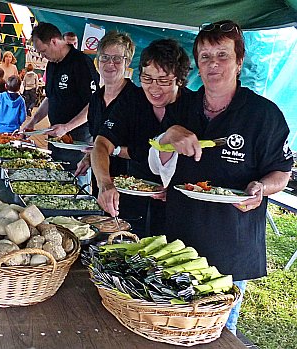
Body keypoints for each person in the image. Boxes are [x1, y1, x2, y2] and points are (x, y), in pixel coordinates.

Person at [148, 20, 293, 333]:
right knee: (172, 324)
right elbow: (158, 161)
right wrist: (170, 135)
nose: (213, 64)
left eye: (222, 55)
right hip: (177, 238)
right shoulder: (182, 105)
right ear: (198, 62)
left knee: (216, 332)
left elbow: (282, 171)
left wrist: (261, 188)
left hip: (230, 244)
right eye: (205, 56)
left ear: (239, 60)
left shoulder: (263, 115)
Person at [91, 39, 190, 236]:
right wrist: (105, 183)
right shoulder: (132, 100)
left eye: (163, 81)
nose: (154, 88)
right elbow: (101, 144)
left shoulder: (192, 107)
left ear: (179, 79)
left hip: (176, 208)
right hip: (131, 198)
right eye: (147, 79)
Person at [21, 22, 99, 176]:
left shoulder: (81, 63)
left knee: (74, 179)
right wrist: (32, 122)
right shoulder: (52, 65)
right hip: (56, 135)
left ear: (54, 42)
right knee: (56, 175)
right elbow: (50, 98)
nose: (43, 57)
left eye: (43, 51)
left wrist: (67, 127)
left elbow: (94, 104)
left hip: (77, 138)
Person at [74, 30, 136, 197]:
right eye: (105, 58)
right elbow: (96, 140)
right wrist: (89, 158)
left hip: (129, 187)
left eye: (117, 59)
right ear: (97, 61)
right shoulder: (95, 99)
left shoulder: (137, 99)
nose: (110, 64)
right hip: (99, 184)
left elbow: (144, 150)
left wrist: (110, 151)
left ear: (127, 62)